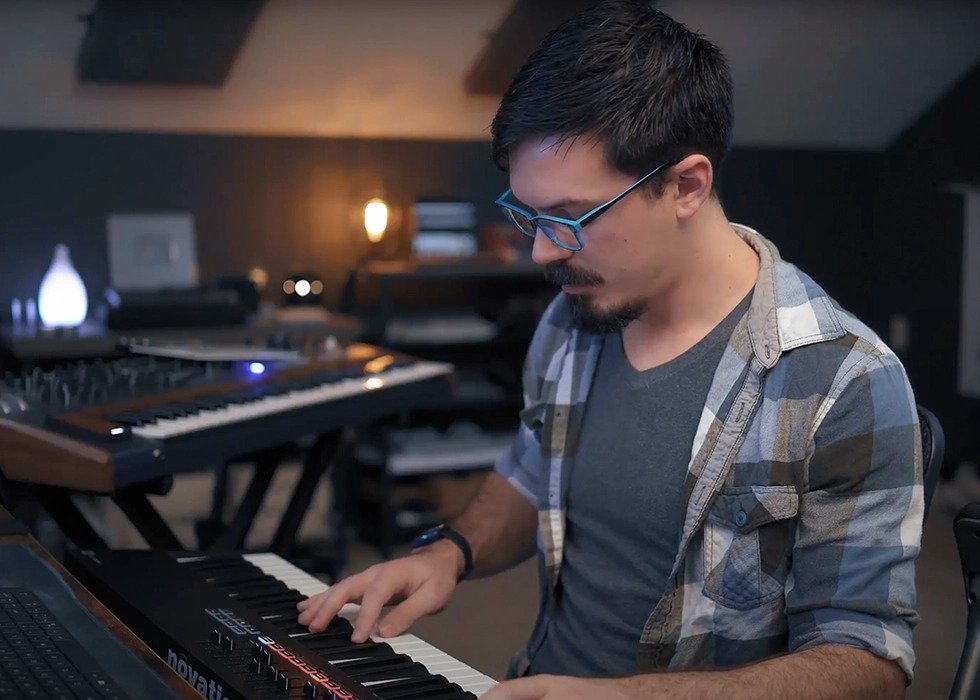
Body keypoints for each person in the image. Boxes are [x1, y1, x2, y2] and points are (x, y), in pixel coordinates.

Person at [298, 1, 922, 697]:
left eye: (569, 218)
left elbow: (870, 663)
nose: (541, 252)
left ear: (686, 186)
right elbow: (532, 473)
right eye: (529, 215)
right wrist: (449, 552)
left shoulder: (845, 379)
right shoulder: (572, 317)